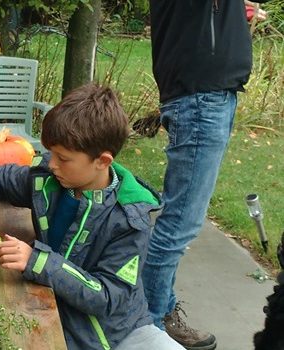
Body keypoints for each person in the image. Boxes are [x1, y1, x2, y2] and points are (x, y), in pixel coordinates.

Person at [0, 84, 184, 349]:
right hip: (57, 311)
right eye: (52, 154)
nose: (51, 164)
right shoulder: (51, 180)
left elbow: (107, 297)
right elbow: (2, 176)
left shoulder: (129, 222)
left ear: (102, 161)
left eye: (63, 158)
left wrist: (38, 262)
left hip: (115, 333)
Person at [142, 1, 269, 349]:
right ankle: (146, 329)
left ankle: (159, 315)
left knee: (180, 221)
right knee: (179, 224)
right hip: (201, 99)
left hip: (212, 95)